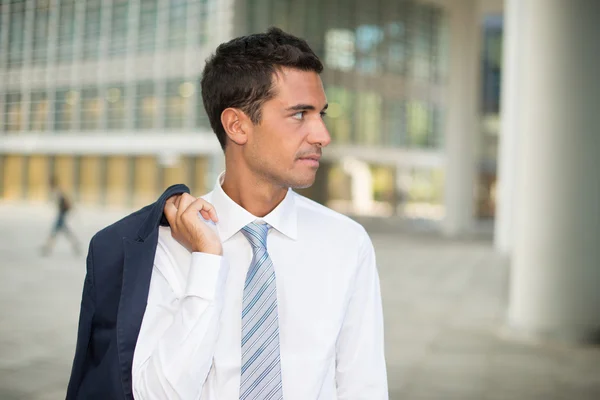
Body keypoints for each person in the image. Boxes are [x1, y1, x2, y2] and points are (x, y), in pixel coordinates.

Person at [66, 27, 387, 400]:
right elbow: (155, 394)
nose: (322, 135)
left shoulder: (347, 242)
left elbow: (362, 385)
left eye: (321, 114)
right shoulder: (166, 244)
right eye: (300, 114)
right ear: (237, 125)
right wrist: (206, 260)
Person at [41, 176, 80, 256]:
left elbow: (63, 202)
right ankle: (75, 245)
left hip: (61, 214)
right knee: (64, 231)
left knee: (55, 231)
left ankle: (47, 248)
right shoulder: (57, 191)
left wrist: (62, 210)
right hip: (61, 214)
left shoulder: (57, 191)